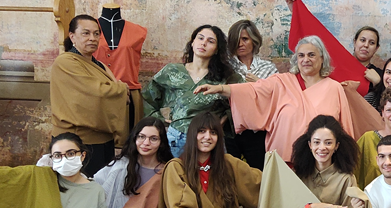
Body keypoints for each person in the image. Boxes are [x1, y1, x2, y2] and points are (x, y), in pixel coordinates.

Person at [194, 35, 358, 162]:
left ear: (322, 58)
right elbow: (253, 91)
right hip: (283, 161)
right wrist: (221, 88)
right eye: (301, 55)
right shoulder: (281, 81)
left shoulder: (334, 88)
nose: (305, 60)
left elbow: (345, 127)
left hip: (322, 162)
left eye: (311, 55)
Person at [158, 112, 262, 208]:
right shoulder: (176, 167)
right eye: (202, 131)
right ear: (193, 135)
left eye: (213, 132)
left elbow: (260, 185)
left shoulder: (228, 164)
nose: (207, 137)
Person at [143, 24, 242, 157]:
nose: (204, 43)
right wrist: (159, 119)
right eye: (200, 38)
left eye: (210, 41)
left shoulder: (227, 76)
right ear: (193, 42)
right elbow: (147, 98)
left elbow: (244, 99)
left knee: (210, 177)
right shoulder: (172, 71)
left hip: (209, 139)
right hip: (176, 139)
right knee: (176, 176)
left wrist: (224, 119)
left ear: (217, 49)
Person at [51, 14, 128, 176]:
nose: (92, 38)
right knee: (75, 190)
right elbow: (96, 93)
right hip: (76, 141)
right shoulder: (65, 62)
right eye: (86, 33)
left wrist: (118, 90)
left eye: (96, 34)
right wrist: (122, 89)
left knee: (99, 190)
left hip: (103, 140)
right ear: (72, 36)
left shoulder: (98, 64)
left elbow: (108, 91)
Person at [93, 117, 172, 208]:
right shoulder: (120, 166)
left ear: (161, 143)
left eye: (153, 138)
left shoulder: (167, 172)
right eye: (141, 137)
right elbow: (96, 187)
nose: (146, 143)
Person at [225, 19, 279, 170]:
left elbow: (277, 96)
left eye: (245, 39)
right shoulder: (225, 67)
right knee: (231, 173)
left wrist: (260, 83)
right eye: (236, 40)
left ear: (254, 40)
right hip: (230, 128)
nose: (240, 44)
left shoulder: (268, 67)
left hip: (258, 130)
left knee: (260, 173)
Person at [353, 26, 383, 91]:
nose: (366, 45)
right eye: (362, 40)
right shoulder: (338, 66)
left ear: (376, 48)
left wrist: (378, 83)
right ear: (355, 42)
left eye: (372, 43)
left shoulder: (380, 75)